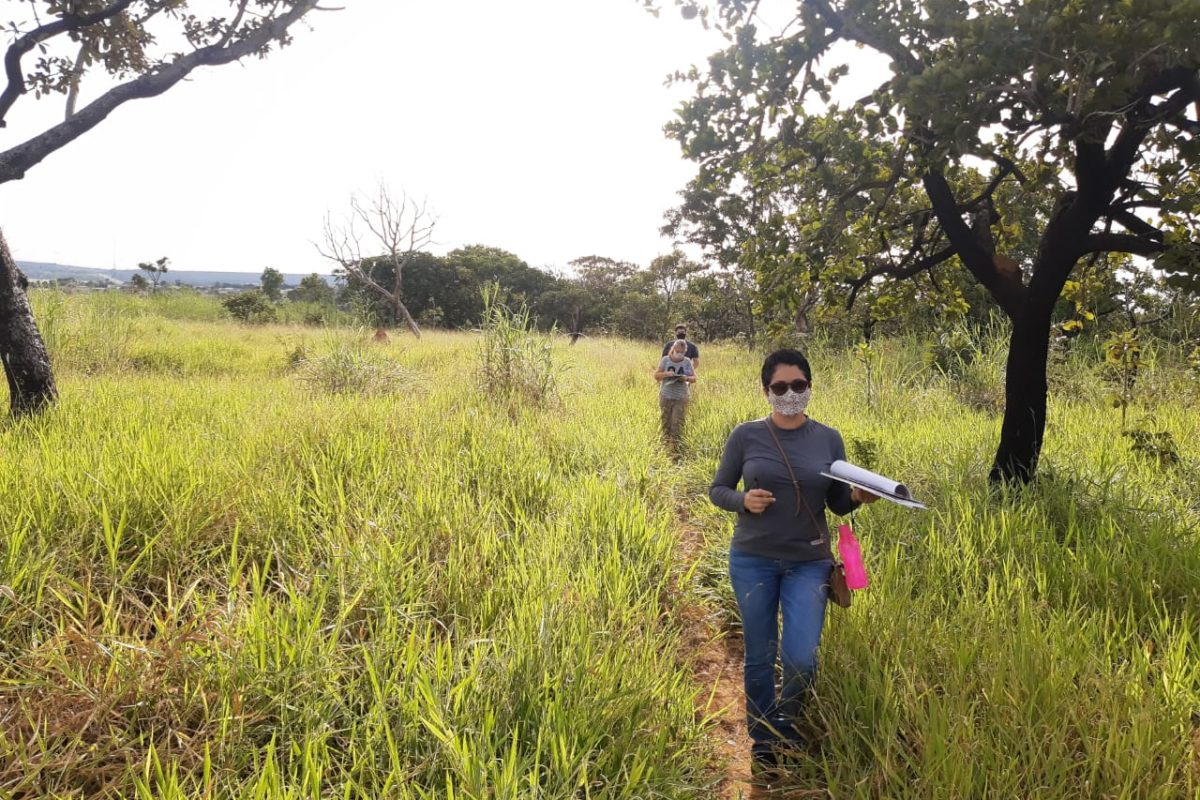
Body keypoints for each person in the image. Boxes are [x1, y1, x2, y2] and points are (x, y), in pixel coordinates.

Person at [708, 348, 878, 774]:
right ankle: (765, 738)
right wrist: (744, 500)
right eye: (780, 387)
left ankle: (788, 721)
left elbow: (837, 503)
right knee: (761, 653)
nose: (790, 394)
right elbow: (718, 490)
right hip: (753, 559)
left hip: (809, 561)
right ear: (766, 391)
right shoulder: (746, 435)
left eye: (798, 386)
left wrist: (857, 497)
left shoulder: (828, 438)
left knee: (801, 655)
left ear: (810, 387)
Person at [655, 339, 696, 451]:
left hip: (681, 397)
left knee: (677, 424)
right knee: (665, 423)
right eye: (677, 351)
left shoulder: (687, 362)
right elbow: (656, 376)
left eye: (682, 352)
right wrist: (666, 374)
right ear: (673, 349)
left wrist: (686, 378)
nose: (679, 354)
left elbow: (694, 378)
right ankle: (665, 447)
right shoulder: (665, 360)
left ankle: (676, 449)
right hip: (666, 395)